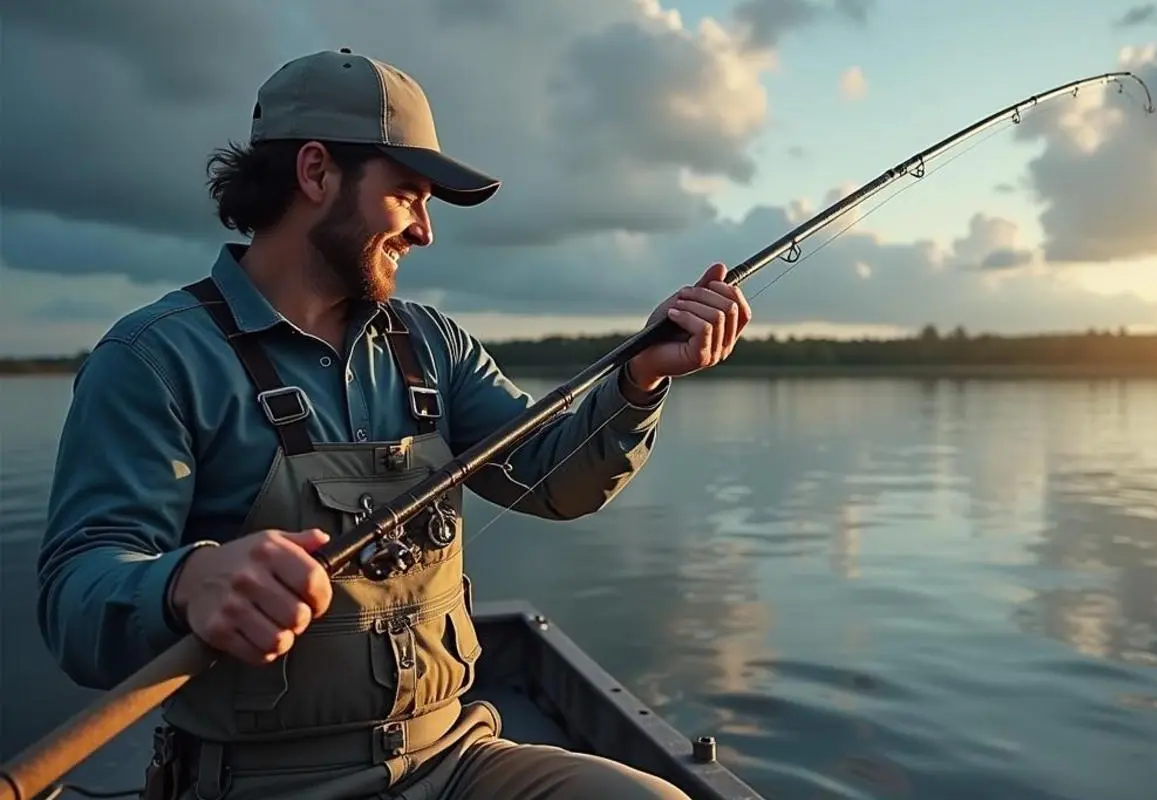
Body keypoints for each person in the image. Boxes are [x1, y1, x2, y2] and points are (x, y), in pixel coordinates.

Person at [37, 48, 752, 800]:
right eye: (408, 195)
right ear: (315, 173)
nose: (424, 232)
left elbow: (553, 481)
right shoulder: (151, 360)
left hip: (454, 757)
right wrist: (184, 581)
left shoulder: (433, 344)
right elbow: (74, 593)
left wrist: (638, 378)